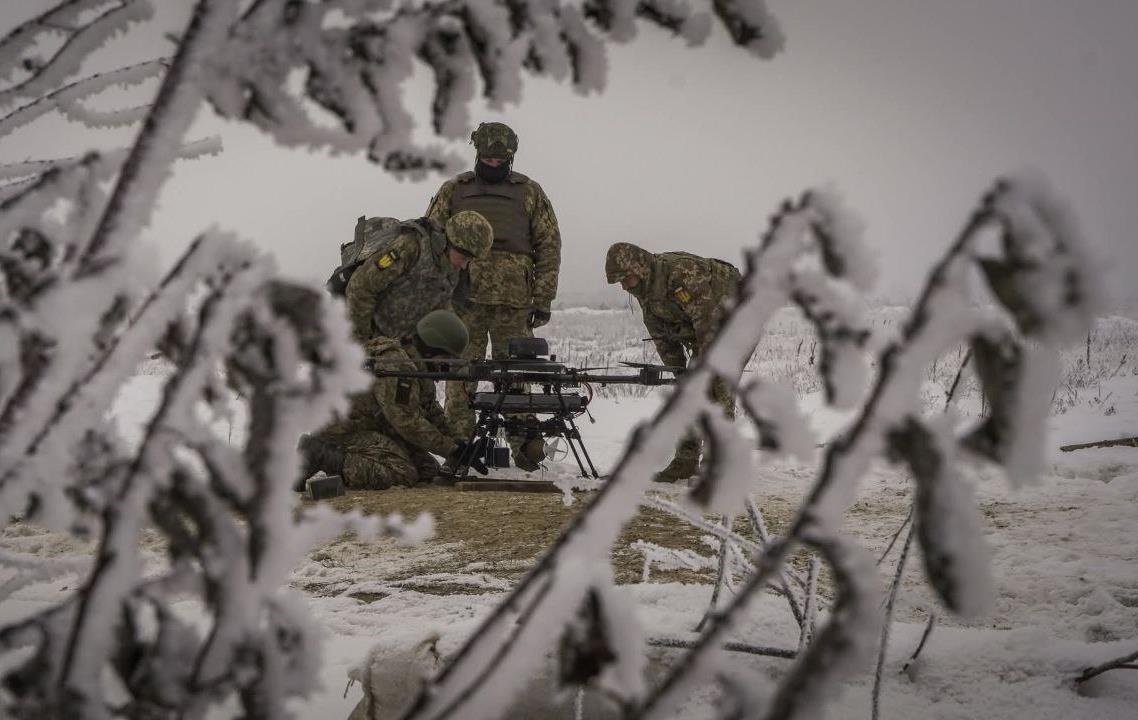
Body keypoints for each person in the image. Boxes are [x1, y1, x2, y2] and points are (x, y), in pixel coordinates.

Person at [425, 122, 562, 470]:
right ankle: (460, 450)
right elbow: (432, 240)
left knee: (516, 378)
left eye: (500, 160)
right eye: (487, 159)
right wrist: (435, 296)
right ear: (476, 153)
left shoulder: (529, 192)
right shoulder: (454, 190)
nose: (493, 164)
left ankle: (526, 449)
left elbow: (549, 246)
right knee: (460, 379)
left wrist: (543, 299)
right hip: (463, 301)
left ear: (511, 158)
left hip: (514, 304)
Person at [297, 309, 486, 491]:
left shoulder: (418, 367)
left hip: (371, 426)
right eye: (445, 358)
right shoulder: (398, 364)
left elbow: (430, 411)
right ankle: (320, 453)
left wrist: (460, 446)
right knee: (402, 473)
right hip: (342, 430)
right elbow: (405, 420)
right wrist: (450, 449)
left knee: (427, 470)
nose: (447, 366)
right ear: (431, 349)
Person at [604, 242, 742, 482]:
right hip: (706, 330)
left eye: (625, 278)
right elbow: (661, 336)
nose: (624, 286)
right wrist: (679, 371)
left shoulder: (681, 273)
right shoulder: (646, 290)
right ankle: (686, 462)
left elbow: (707, 323)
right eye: (620, 282)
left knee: (717, 388)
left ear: (639, 268)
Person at [344, 211, 493, 343]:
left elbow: (442, 307)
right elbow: (360, 288)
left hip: (407, 341)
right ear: (451, 244)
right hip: (371, 336)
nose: (464, 266)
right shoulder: (409, 247)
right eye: (464, 258)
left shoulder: (451, 267)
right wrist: (361, 342)